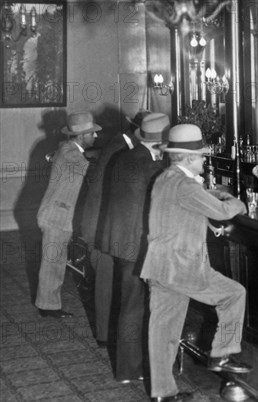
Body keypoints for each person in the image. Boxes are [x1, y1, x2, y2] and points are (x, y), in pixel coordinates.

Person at [141, 124, 252, 402]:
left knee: (163, 330)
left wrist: (214, 197)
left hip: (157, 266)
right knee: (234, 294)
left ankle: (162, 392)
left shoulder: (165, 178)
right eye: (202, 156)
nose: (204, 160)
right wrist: (237, 201)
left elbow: (186, 209)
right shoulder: (187, 185)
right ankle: (223, 353)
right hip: (182, 267)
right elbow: (224, 211)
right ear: (189, 159)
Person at [103, 112, 170, 383]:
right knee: (135, 306)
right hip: (137, 244)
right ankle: (131, 369)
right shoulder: (150, 167)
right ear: (159, 143)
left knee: (130, 303)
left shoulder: (126, 157)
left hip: (121, 240)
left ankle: (129, 367)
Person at [81, 109, 150, 347]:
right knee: (105, 283)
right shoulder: (120, 149)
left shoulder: (124, 145)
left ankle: (110, 335)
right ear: (140, 132)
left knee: (113, 283)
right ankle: (104, 336)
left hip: (110, 223)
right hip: (103, 223)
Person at [35, 111, 101, 318]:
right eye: (93, 134)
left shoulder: (69, 148)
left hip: (58, 214)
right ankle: (47, 307)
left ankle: (48, 304)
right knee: (52, 262)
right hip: (56, 215)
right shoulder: (70, 153)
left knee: (55, 260)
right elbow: (88, 168)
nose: (96, 136)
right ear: (82, 136)